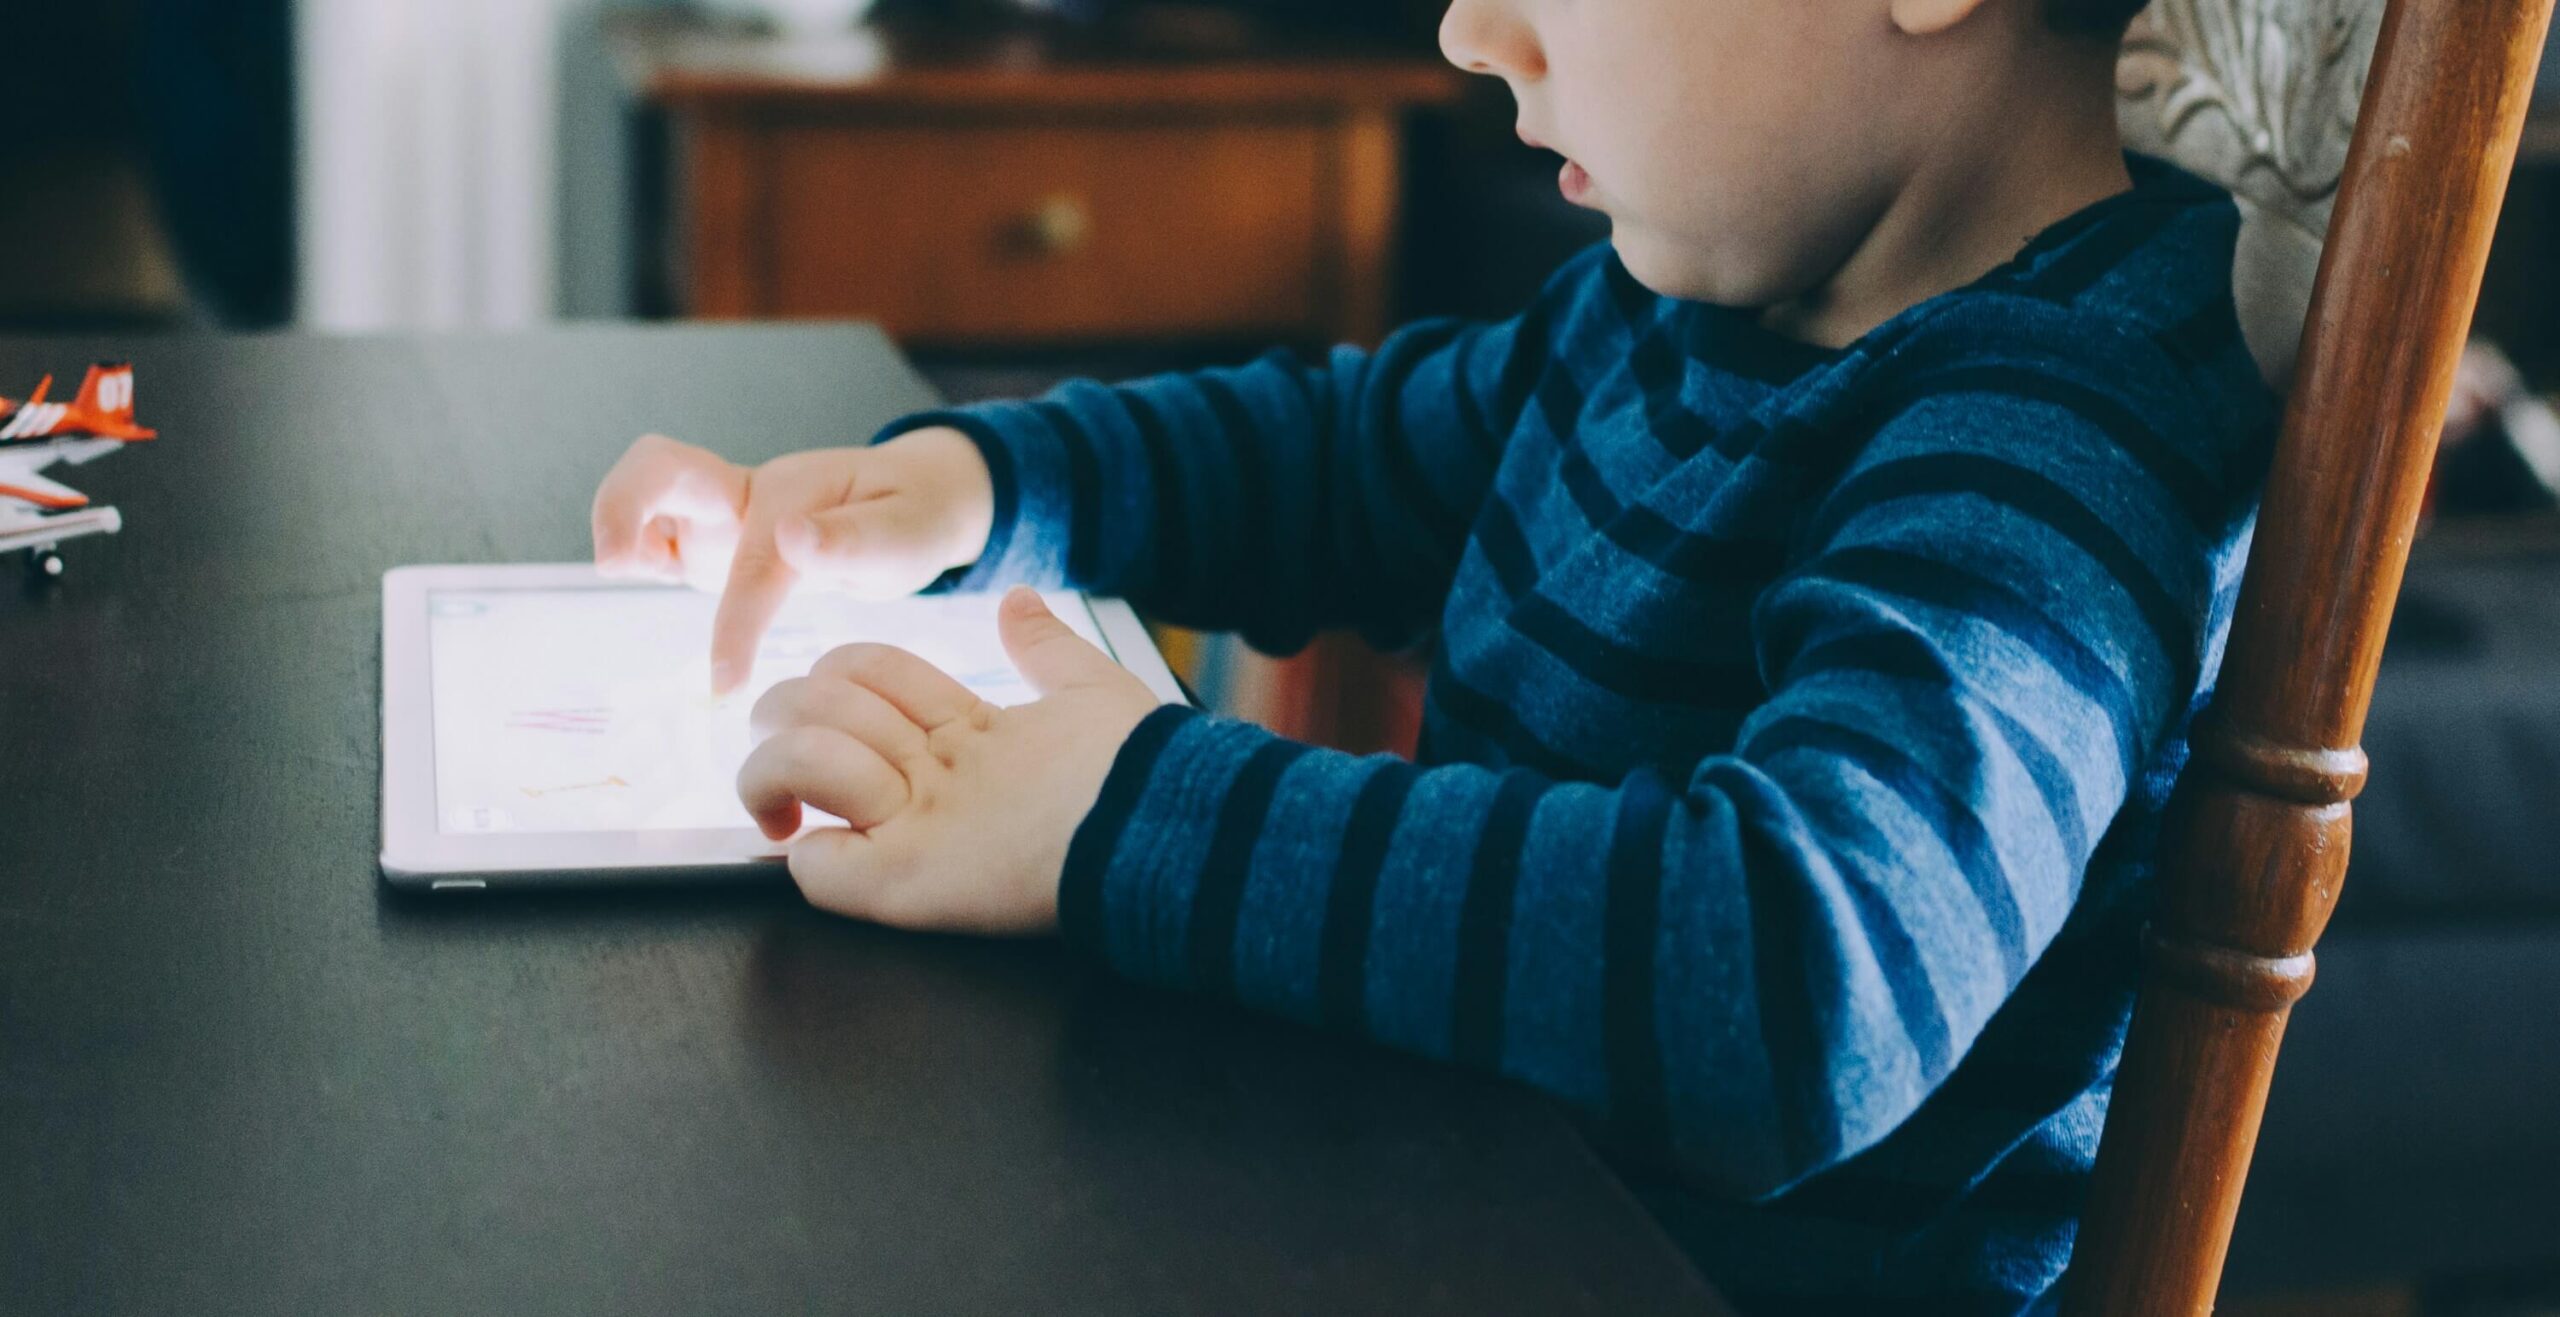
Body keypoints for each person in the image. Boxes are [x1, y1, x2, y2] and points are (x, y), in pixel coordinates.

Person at [589, 0, 2276, 1308]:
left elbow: (1797, 977)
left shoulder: (2058, 438)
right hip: (1467, 1208)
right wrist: (976, 486)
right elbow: (1341, 459)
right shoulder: (1687, 310)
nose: (1473, 31)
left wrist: (1123, 802)